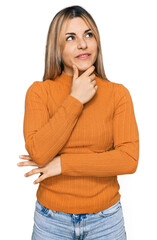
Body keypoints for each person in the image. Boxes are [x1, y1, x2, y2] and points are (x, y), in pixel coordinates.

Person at [17, 5, 139, 240]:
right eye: (71, 38)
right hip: (51, 221)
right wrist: (75, 100)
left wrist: (62, 164)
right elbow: (40, 154)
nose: (83, 44)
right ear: (57, 46)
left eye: (88, 34)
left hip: (106, 221)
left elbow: (128, 159)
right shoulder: (39, 92)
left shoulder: (117, 94)